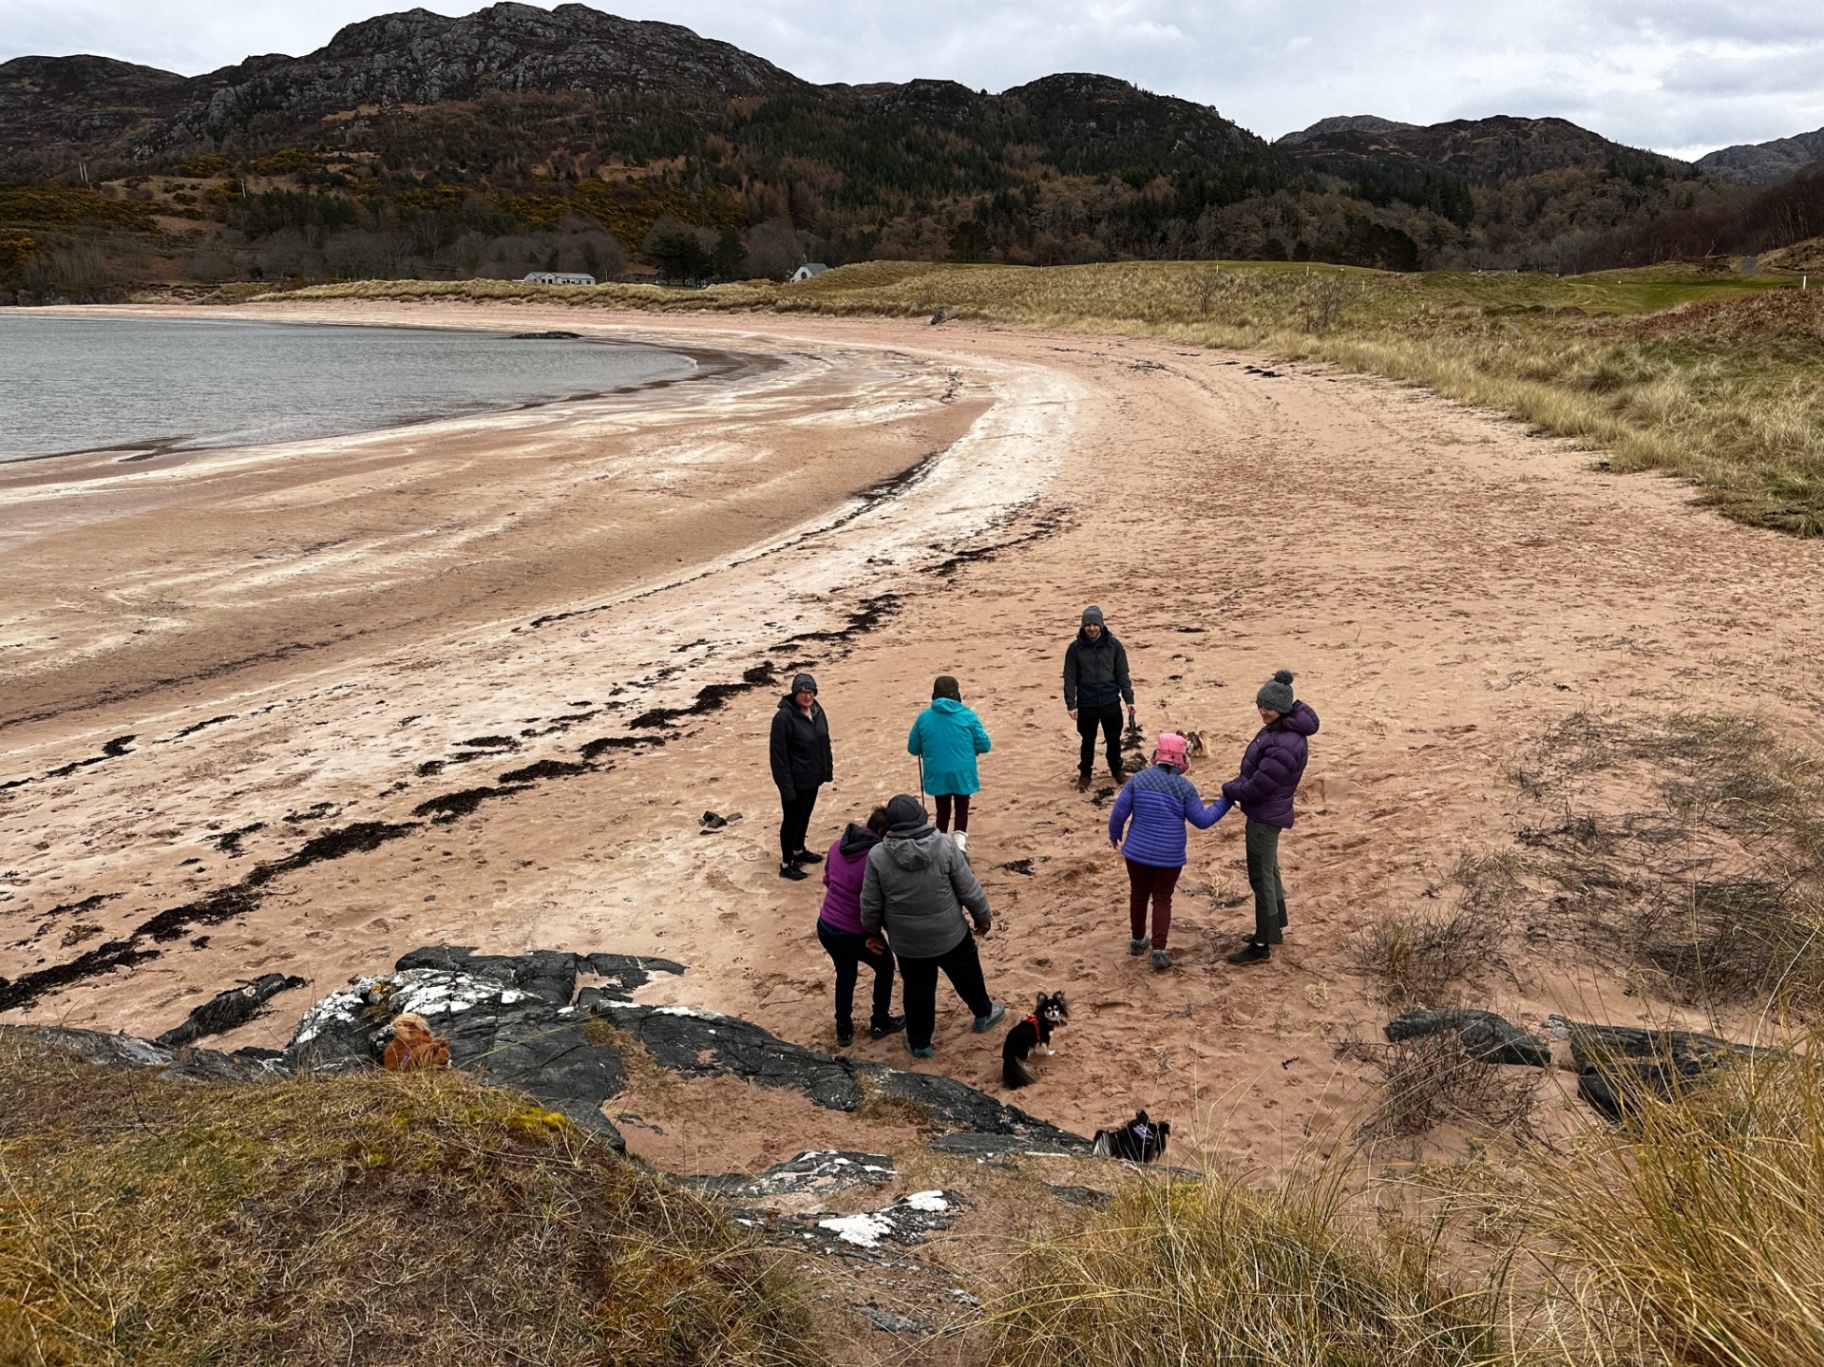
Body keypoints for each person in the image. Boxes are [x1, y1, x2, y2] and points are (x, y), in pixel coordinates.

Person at [859, 794, 1004, 1059]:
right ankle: (984, 1014)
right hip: (950, 933)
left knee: (918, 991)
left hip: (908, 943)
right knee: (968, 975)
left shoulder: (878, 855)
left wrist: (871, 931)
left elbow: (870, 903)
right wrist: (982, 916)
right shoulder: (944, 844)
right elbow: (968, 887)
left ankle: (919, 1043)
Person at [1220, 670, 1320, 965]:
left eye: (1268, 707)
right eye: (1260, 705)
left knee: (1260, 877)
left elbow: (1261, 785)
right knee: (1270, 871)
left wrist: (1230, 789)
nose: (1263, 711)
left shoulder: (1285, 741)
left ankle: (1262, 945)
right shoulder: (1281, 727)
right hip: (1271, 812)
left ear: (1283, 708)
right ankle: (1273, 929)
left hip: (1265, 815)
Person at [1108, 733, 1231, 969]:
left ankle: (1136, 940)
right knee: (1163, 898)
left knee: (1139, 894)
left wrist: (1115, 835)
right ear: (1181, 759)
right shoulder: (1185, 788)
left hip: (1136, 852)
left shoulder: (1138, 780)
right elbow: (1203, 820)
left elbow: (1119, 812)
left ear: (1157, 755)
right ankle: (1159, 948)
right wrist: (1225, 800)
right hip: (1170, 856)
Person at [815, 806, 906, 1048]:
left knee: (846, 974)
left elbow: (827, 880)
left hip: (826, 925)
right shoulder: (875, 860)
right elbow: (876, 905)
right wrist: (871, 934)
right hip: (854, 931)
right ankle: (880, 1022)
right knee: (886, 967)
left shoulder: (836, 846)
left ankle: (844, 1030)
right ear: (880, 831)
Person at [907, 675, 992, 853]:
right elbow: (985, 745)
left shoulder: (924, 717)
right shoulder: (968, 715)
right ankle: (960, 846)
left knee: (942, 808)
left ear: (934, 695)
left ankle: (939, 845)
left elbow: (913, 748)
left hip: (936, 772)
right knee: (962, 806)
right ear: (957, 695)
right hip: (963, 771)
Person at [1063, 605, 1136, 792]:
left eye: (1095, 624)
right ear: (1083, 626)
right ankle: (1085, 774)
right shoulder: (1074, 649)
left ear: (1101, 625)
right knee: (1087, 739)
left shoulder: (1114, 645)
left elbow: (1122, 674)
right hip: (1086, 703)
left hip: (1110, 700)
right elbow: (1069, 677)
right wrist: (1071, 703)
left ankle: (1116, 769)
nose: (1092, 628)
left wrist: (1129, 699)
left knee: (1114, 738)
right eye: (1088, 624)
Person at [769, 671, 833, 881]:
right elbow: (778, 757)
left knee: (805, 816)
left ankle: (799, 850)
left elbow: (824, 742)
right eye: (803, 692)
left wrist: (826, 770)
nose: (807, 696)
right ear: (795, 693)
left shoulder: (817, 710)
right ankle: (787, 863)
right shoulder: (783, 717)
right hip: (795, 781)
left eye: (811, 691)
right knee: (792, 820)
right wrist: (786, 788)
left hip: (813, 777)